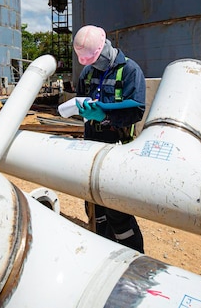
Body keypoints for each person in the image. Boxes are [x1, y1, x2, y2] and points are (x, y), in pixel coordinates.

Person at [73, 24, 146, 253]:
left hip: (117, 149)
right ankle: (102, 250)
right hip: (92, 146)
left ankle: (132, 255)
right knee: (94, 206)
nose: (93, 65)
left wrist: (105, 112)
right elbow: (81, 98)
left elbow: (137, 110)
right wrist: (82, 108)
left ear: (105, 47)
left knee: (117, 208)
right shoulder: (88, 72)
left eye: (94, 59)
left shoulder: (130, 71)